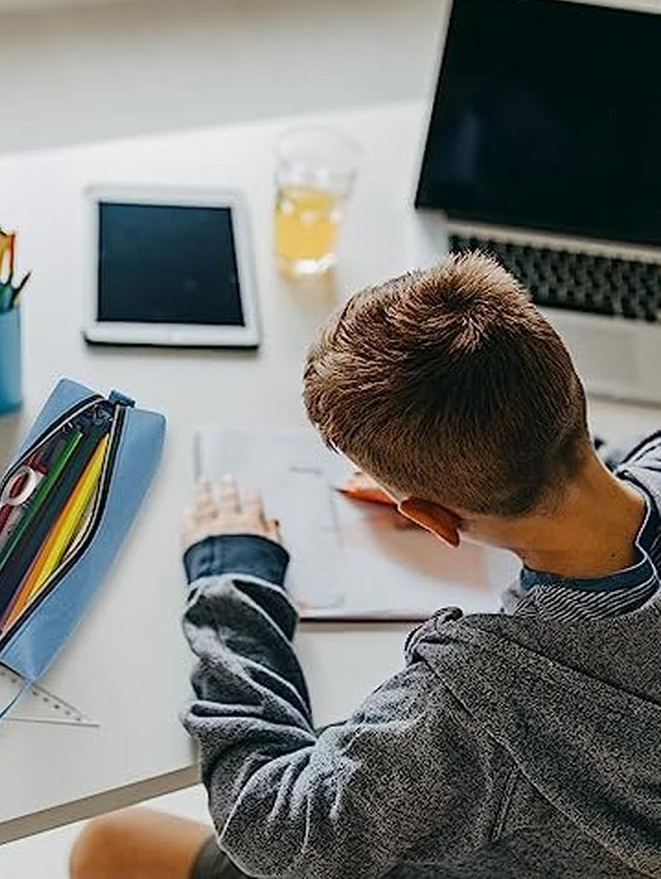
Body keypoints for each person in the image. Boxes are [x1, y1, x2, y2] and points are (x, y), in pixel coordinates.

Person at [70, 253, 661, 878]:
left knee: (108, 845)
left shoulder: (475, 711)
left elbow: (271, 826)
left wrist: (231, 580)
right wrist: (474, 481)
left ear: (432, 522)